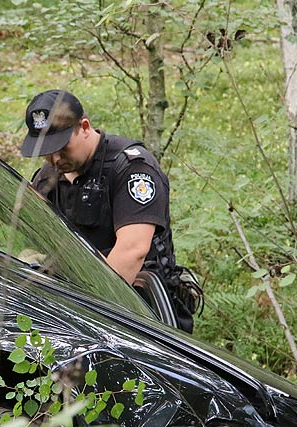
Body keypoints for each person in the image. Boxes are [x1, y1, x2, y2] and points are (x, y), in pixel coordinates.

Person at [21, 89, 200, 333]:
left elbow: (133, 250)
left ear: (84, 127)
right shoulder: (48, 178)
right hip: (74, 305)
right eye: (46, 150)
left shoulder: (132, 169)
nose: (54, 158)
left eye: (62, 147)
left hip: (140, 309)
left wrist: (91, 316)